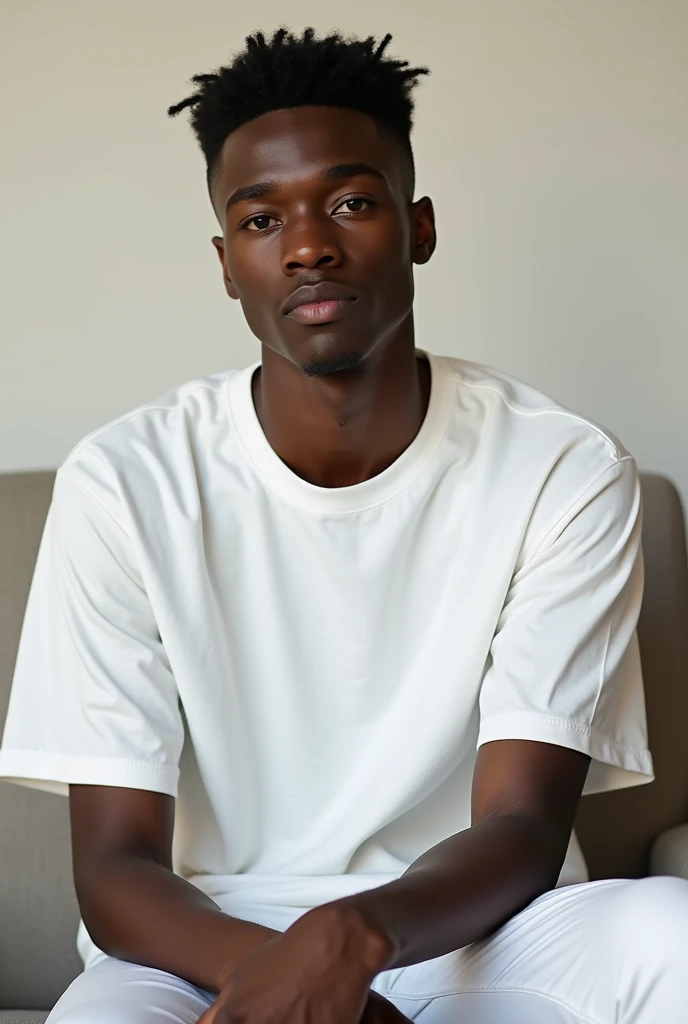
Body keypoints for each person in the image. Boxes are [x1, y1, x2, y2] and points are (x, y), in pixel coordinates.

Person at [0, 25, 686, 1024]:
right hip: (208, 946)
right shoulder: (125, 481)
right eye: (261, 219)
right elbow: (114, 866)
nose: (310, 243)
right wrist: (291, 980)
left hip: (470, 935)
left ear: (420, 228)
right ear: (227, 264)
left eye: (352, 203)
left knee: (670, 935)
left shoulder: (562, 468)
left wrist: (349, 942)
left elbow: (522, 824)